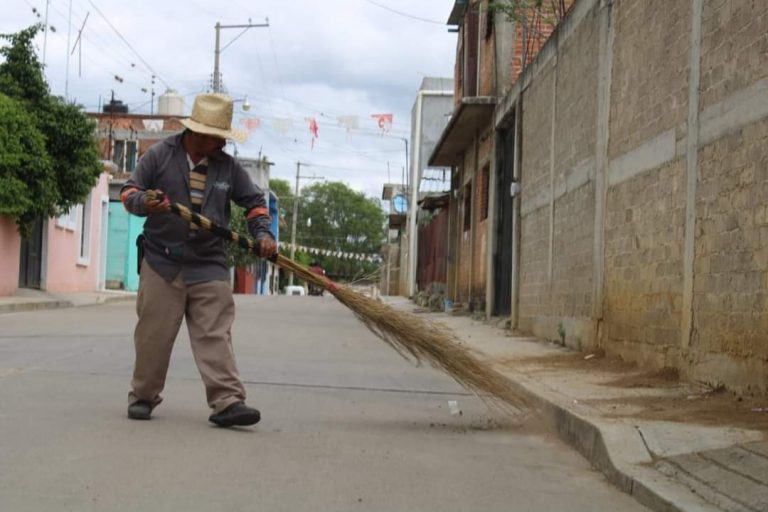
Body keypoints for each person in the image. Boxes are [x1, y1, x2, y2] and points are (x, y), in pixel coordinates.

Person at [120, 93, 277, 427]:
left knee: (215, 332)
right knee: (154, 334)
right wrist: (146, 202)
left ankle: (227, 401)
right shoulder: (160, 155)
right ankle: (143, 396)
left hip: (208, 262)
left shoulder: (228, 167)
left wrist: (263, 234)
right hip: (162, 260)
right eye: (217, 137)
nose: (221, 143)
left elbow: (254, 204)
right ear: (199, 134)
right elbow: (129, 193)